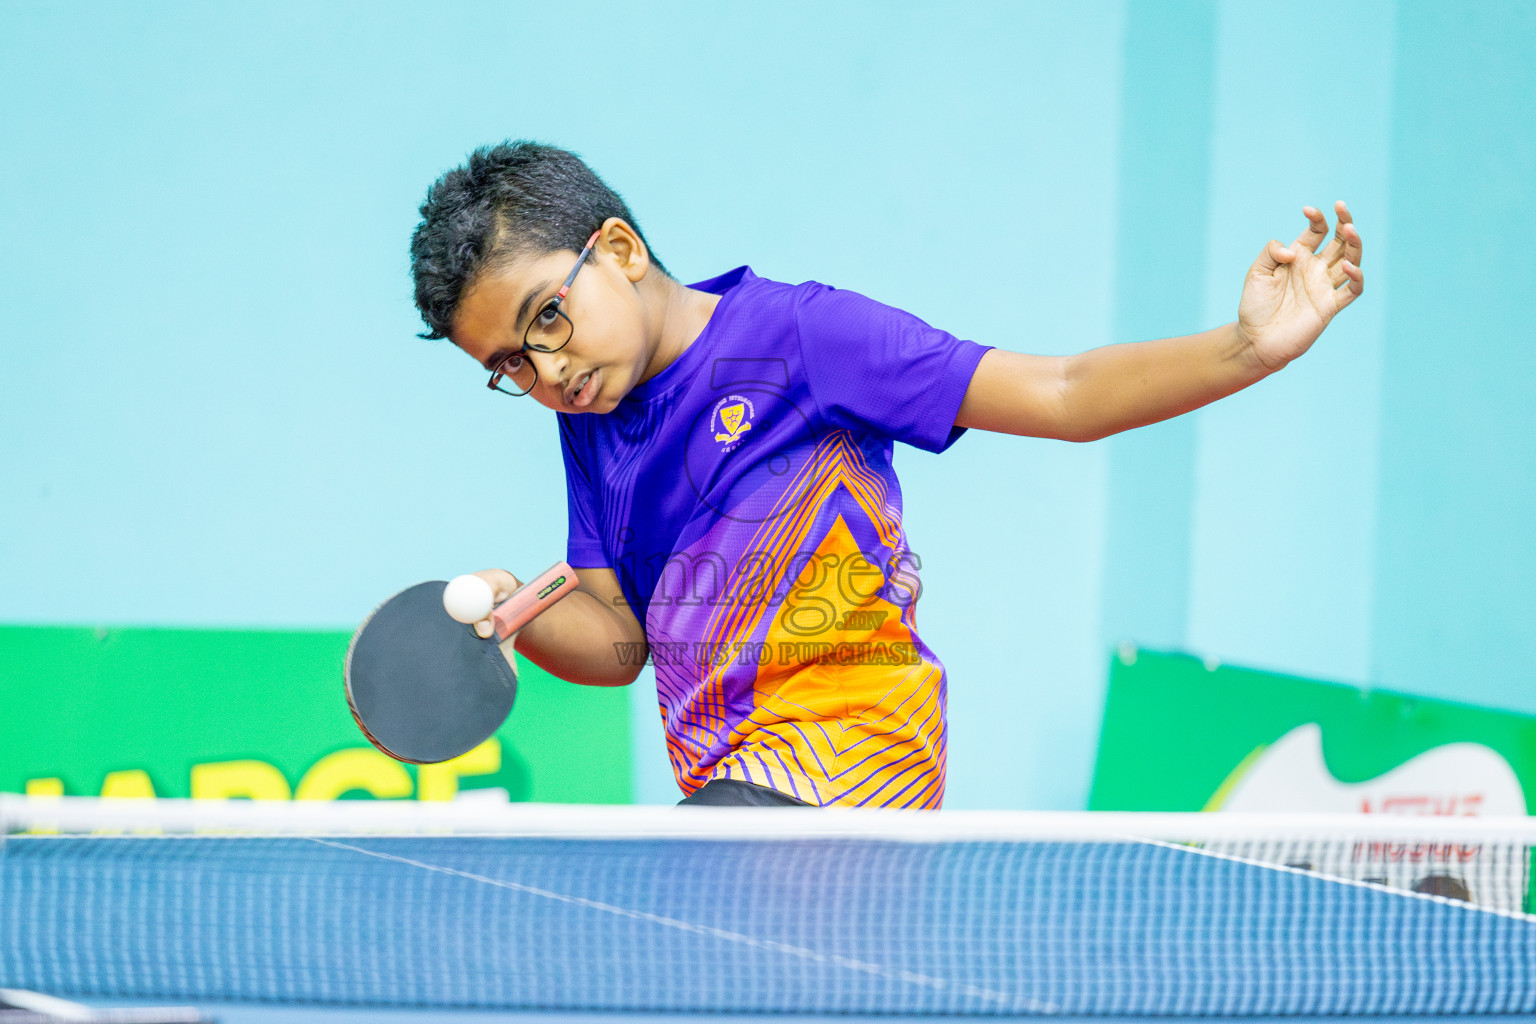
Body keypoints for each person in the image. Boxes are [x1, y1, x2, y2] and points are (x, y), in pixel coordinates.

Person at [409, 141, 1364, 809]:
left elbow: (1065, 392)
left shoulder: (804, 338)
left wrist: (1246, 351)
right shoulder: (591, 426)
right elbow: (621, 646)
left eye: (545, 319)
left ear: (616, 251)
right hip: (726, 782)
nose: (545, 370)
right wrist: (517, 607)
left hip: (856, 750)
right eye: (508, 367)